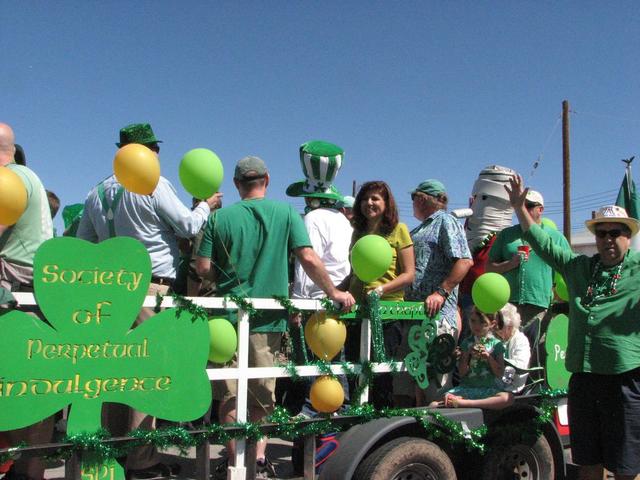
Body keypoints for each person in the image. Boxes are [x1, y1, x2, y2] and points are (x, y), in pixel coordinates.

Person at [195, 155, 355, 479]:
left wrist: (224, 276)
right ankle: (256, 459)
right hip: (267, 321)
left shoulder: (218, 218)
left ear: (238, 184)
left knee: (229, 395)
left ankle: (233, 461)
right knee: (262, 395)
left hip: (227, 320)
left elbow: (202, 268)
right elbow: (307, 257)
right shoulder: (285, 213)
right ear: (266, 180)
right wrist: (335, 292)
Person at [77, 122, 220, 479]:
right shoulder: (153, 182)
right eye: (154, 149)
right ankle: (141, 458)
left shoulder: (96, 192)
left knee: (113, 371)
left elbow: (83, 243)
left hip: (109, 289)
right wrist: (206, 205)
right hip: (150, 287)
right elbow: (187, 225)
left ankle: (111, 449)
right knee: (146, 371)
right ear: (148, 151)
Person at [506, 174, 640, 480]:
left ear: (627, 237)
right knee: (588, 462)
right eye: (601, 233)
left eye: (615, 233)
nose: (607, 239)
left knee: (625, 467)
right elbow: (544, 245)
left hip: (625, 380)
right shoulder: (581, 268)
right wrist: (519, 208)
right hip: (583, 380)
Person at [0, 122, 54, 480]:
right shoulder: (28, 176)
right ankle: (30, 467)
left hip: (13, 280)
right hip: (39, 287)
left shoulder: (10, 180)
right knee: (36, 381)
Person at [346, 180, 415, 407]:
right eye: (365, 199)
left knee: (380, 374)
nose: (369, 203)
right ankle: (356, 421)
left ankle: (379, 420)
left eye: (375, 198)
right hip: (357, 311)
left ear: (387, 203)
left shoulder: (399, 230)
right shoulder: (358, 233)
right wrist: (335, 292)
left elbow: (409, 274)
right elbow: (354, 274)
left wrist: (381, 289)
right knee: (355, 370)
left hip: (386, 313)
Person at [404, 179, 473, 405]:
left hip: (437, 318)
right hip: (414, 316)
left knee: (436, 382)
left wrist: (441, 292)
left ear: (423, 198)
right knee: (411, 382)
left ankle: (444, 435)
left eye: (414, 198)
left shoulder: (445, 221)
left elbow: (464, 260)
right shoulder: (420, 228)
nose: (412, 203)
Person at [487, 189, 570, 352]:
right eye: (521, 205)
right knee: (504, 349)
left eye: (529, 205)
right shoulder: (506, 234)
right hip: (508, 304)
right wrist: (510, 264)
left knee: (535, 352)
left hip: (539, 305)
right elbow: (488, 268)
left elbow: (569, 269)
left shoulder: (555, 237)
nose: (523, 209)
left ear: (541, 209)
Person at [432, 307, 511, 410]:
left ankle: (466, 403)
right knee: (433, 404)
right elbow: (462, 373)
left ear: (492, 324)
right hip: (468, 388)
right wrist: (466, 354)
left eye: (482, 322)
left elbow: (500, 373)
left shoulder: (497, 344)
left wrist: (488, 357)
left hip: (488, 389)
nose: (476, 326)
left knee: (507, 398)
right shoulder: (467, 342)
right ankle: (463, 402)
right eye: (473, 321)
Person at [493, 303, 531, 394]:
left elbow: (520, 366)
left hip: (511, 387)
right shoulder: (496, 337)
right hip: (492, 383)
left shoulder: (520, 340)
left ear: (509, 327)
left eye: (499, 325)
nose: (494, 328)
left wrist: (494, 359)